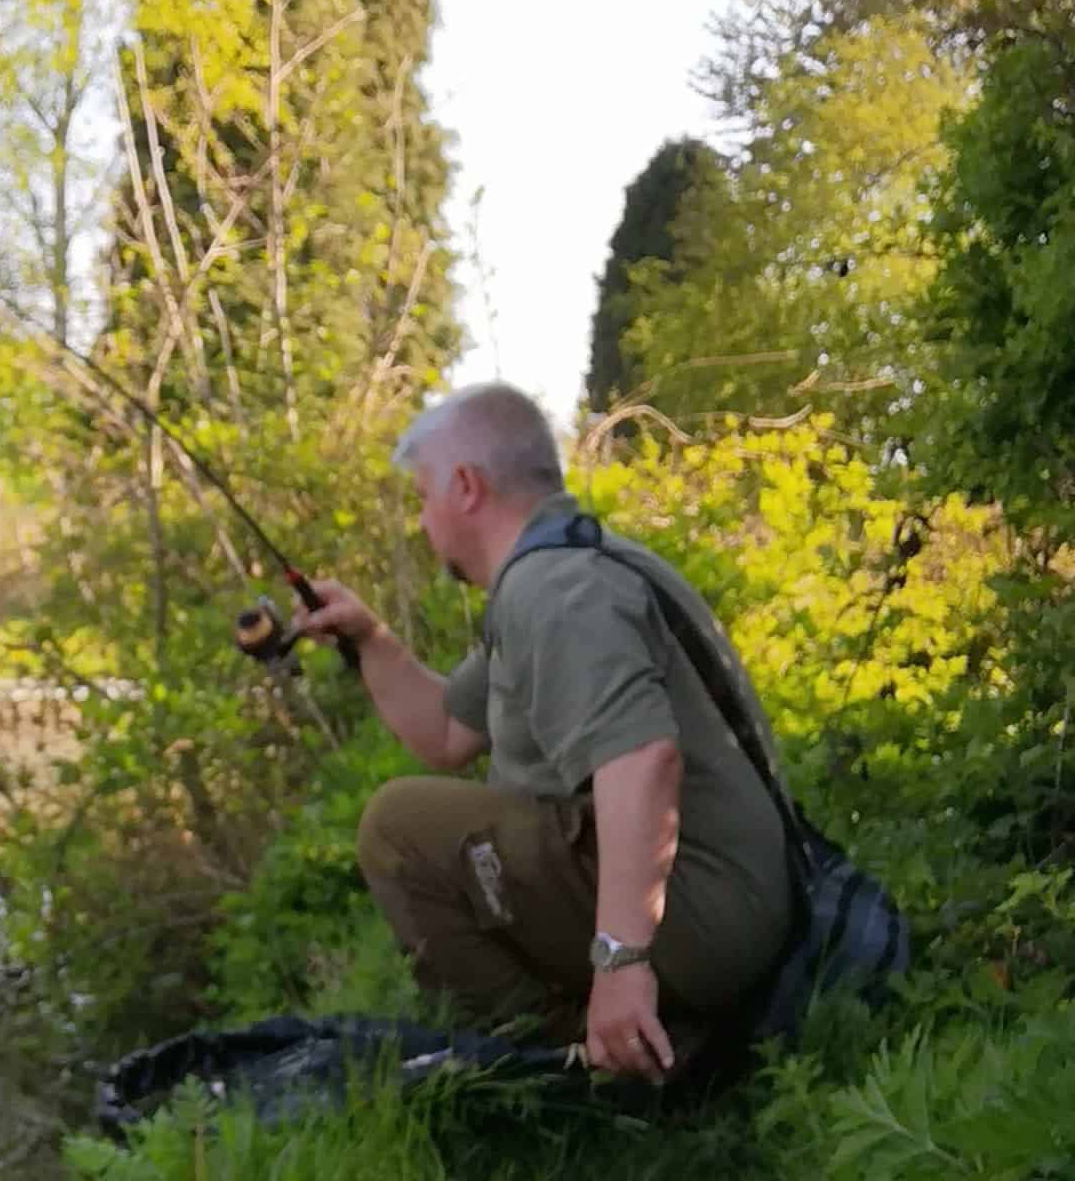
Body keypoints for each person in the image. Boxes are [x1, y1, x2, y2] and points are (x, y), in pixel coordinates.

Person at [292, 382, 793, 1083]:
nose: (421, 518)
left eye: (423, 495)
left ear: (466, 487)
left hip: (713, 913)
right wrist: (369, 637)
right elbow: (445, 732)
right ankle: (629, 1034)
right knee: (425, 815)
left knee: (397, 828)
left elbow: (643, 759)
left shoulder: (554, 592)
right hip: (728, 895)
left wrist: (621, 963)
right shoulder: (554, 568)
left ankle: (583, 1058)